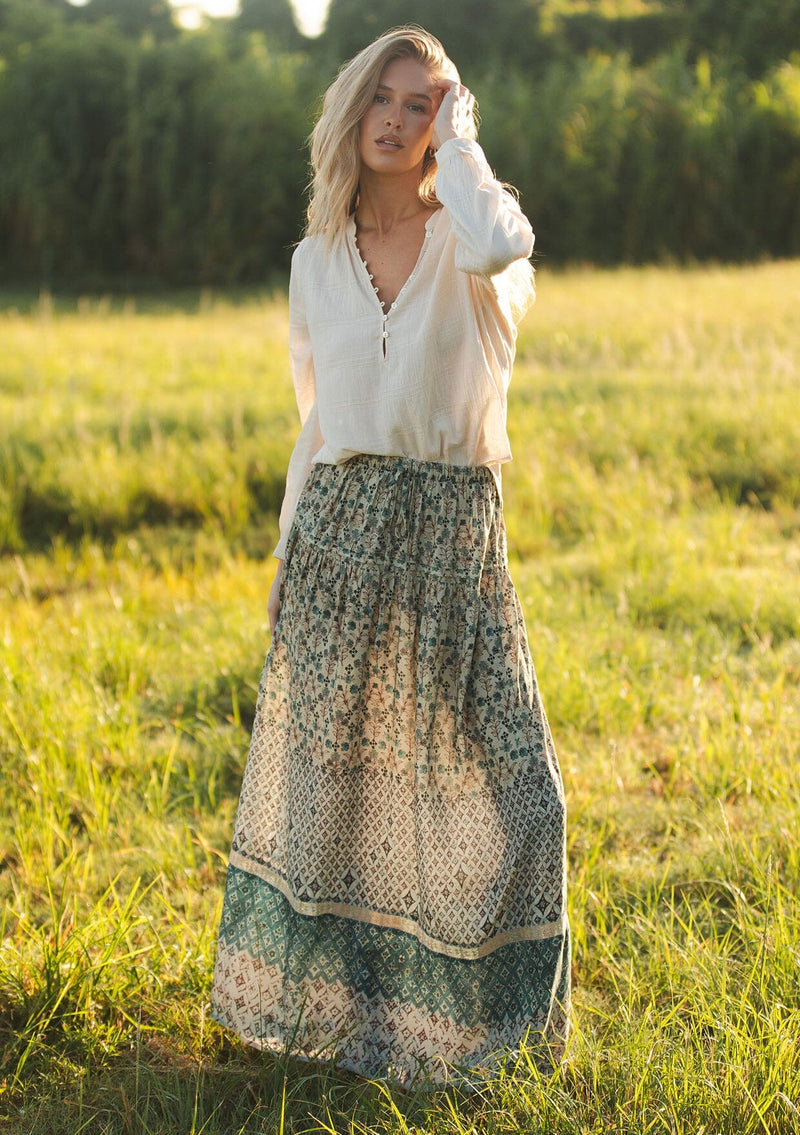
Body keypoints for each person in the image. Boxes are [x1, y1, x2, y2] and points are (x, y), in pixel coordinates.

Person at [211, 25, 570, 1087]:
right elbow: (317, 424)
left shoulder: (472, 241)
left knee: (517, 792)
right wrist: (286, 557)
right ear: (352, 106)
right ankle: (342, 1025)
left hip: (452, 534)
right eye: (387, 96)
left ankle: (497, 1033)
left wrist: (460, 144)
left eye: (424, 103)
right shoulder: (315, 261)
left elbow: (505, 239)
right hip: (340, 531)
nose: (399, 118)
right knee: (338, 795)